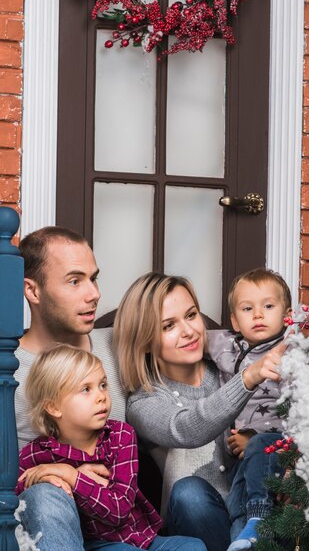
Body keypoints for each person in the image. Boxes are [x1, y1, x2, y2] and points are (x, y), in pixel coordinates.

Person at [113, 272, 287, 551]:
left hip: (259, 507)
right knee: (188, 492)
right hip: (202, 523)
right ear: (144, 339)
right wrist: (247, 378)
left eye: (191, 315)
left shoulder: (228, 366)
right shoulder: (144, 401)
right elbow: (187, 427)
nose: (188, 331)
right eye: (169, 325)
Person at [17, 345, 207, 551]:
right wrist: (43, 480)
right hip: (95, 545)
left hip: (142, 539)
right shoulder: (37, 453)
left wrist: (72, 477)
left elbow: (119, 509)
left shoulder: (120, 435)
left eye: (103, 385)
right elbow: (12, 498)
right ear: (53, 407)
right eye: (85, 389)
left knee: (193, 545)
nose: (101, 396)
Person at [15, 226, 126, 550]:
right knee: (46, 497)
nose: (93, 294)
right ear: (33, 291)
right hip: (42, 526)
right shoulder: (9, 366)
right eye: (75, 281)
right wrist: (54, 475)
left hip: (117, 528)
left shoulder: (118, 349)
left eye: (94, 278)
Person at [206, 268, 292, 551]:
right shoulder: (225, 346)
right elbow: (191, 336)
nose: (258, 315)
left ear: (286, 314)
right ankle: (243, 537)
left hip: (276, 447)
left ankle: (260, 520)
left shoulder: (290, 351)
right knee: (237, 503)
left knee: (259, 454)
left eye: (268, 306)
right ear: (234, 320)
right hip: (240, 457)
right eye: (247, 308)